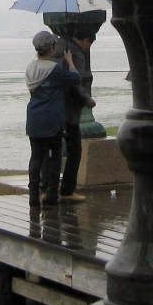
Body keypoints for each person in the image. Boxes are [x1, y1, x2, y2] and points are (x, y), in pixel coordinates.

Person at [24, 31, 80, 208]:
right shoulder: (54, 69)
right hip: (52, 119)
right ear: (52, 48)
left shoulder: (31, 68)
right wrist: (70, 61)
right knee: (55, 156)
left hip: (34, 117)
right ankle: (51, 196)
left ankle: (33, 196)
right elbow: (75, 78)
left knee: (36, 157)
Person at [57, 29, 97, 204]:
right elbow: (76, 82)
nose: (88, 48)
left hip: (55, 109)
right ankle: (67, 190)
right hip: (71, 111)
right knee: (75, 151)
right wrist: (87, 99)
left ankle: (47, 187)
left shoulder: (59, 49)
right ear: (87, 40)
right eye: (90, 44)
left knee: (52, 149)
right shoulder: (77, 55)